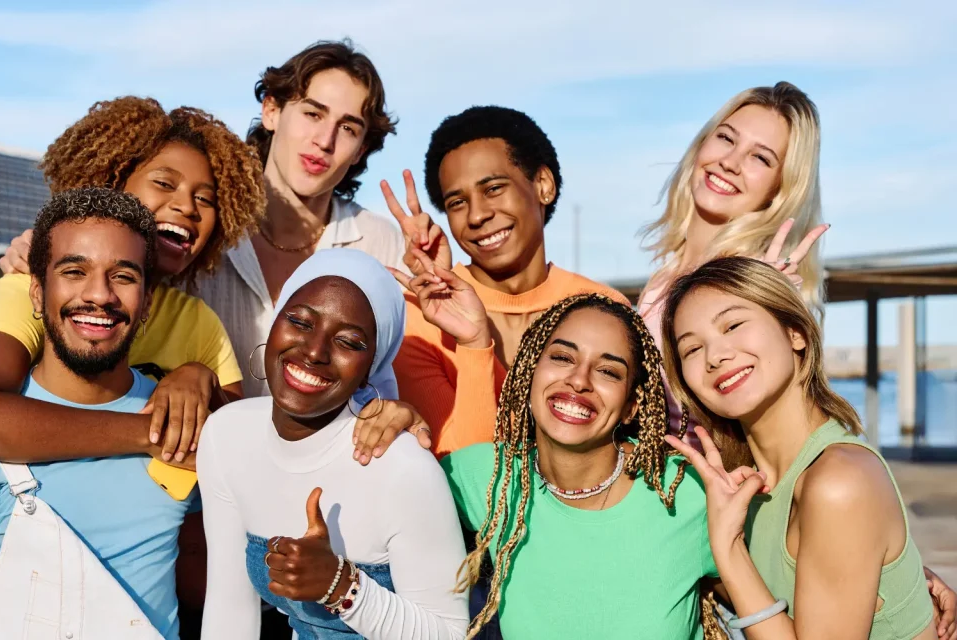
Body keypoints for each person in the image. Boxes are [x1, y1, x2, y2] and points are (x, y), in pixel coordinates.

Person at [0, 96, 266, 467]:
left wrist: (200, 379)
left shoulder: (196, 320)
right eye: (164, 183)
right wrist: (149, 436)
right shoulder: (30, 291)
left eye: (206, 200)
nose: (188, 207)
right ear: (109, 183)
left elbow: (241, 448)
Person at [0, 188, 196, 639]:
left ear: (148, 301)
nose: (99, 295)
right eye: (74, 271)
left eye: (124, 276)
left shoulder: (185, 416)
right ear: (37, 291)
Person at [663, 256, 948, 639]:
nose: (715, 356)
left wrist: (729, 550)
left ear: (795, 331)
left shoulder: (841, 481)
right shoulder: (742, 488)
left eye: (733, 325)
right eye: (692, 350)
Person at [197, 248, 468, 639]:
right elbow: (229, 610)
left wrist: (343, 588)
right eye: (300, 321)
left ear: (371, 367)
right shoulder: (226, 436)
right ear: (274, 324)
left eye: (349, 342)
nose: (314, 351)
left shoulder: (401, 468)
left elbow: (450, 633)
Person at [441, 293, 724, 639]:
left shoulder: (685, 490)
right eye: (562, 357)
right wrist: (395, 420)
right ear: (531, 371)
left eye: (608, 371)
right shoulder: (487, 476)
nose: (579, 380)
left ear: (631, 406)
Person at [386, 106, 630, 457]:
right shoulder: (418, 319)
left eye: (494, 189)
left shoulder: (604, 308)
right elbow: (464, 468)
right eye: (457, 202)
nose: (477, 215)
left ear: (543, 185)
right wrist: (473, 346)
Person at [195, 40, 406, 400]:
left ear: (361, 151)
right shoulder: (204, 223)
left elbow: (387, 390)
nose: (325, 140)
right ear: (272, 111)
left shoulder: (381, 243)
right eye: (313, 114)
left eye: (349, 128)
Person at [636, 82, 830, 440]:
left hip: (705, 488)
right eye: (726, 138)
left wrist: (770, 307)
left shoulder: (750, 279)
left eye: (761, 157)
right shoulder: (666, 277)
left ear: (780, 188)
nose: (730, 162)